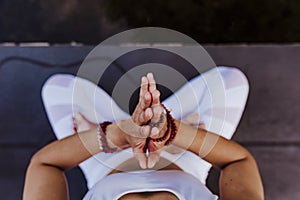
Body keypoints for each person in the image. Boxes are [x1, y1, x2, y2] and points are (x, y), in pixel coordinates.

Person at [23, 67, 264, 199]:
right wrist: (173, 133)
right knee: (230, 80)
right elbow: (238, 162)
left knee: (59, 88)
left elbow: (45, 165)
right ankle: (174, 134)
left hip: (104, 162)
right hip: (186, 159)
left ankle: (117, 131)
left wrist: (115, 135)